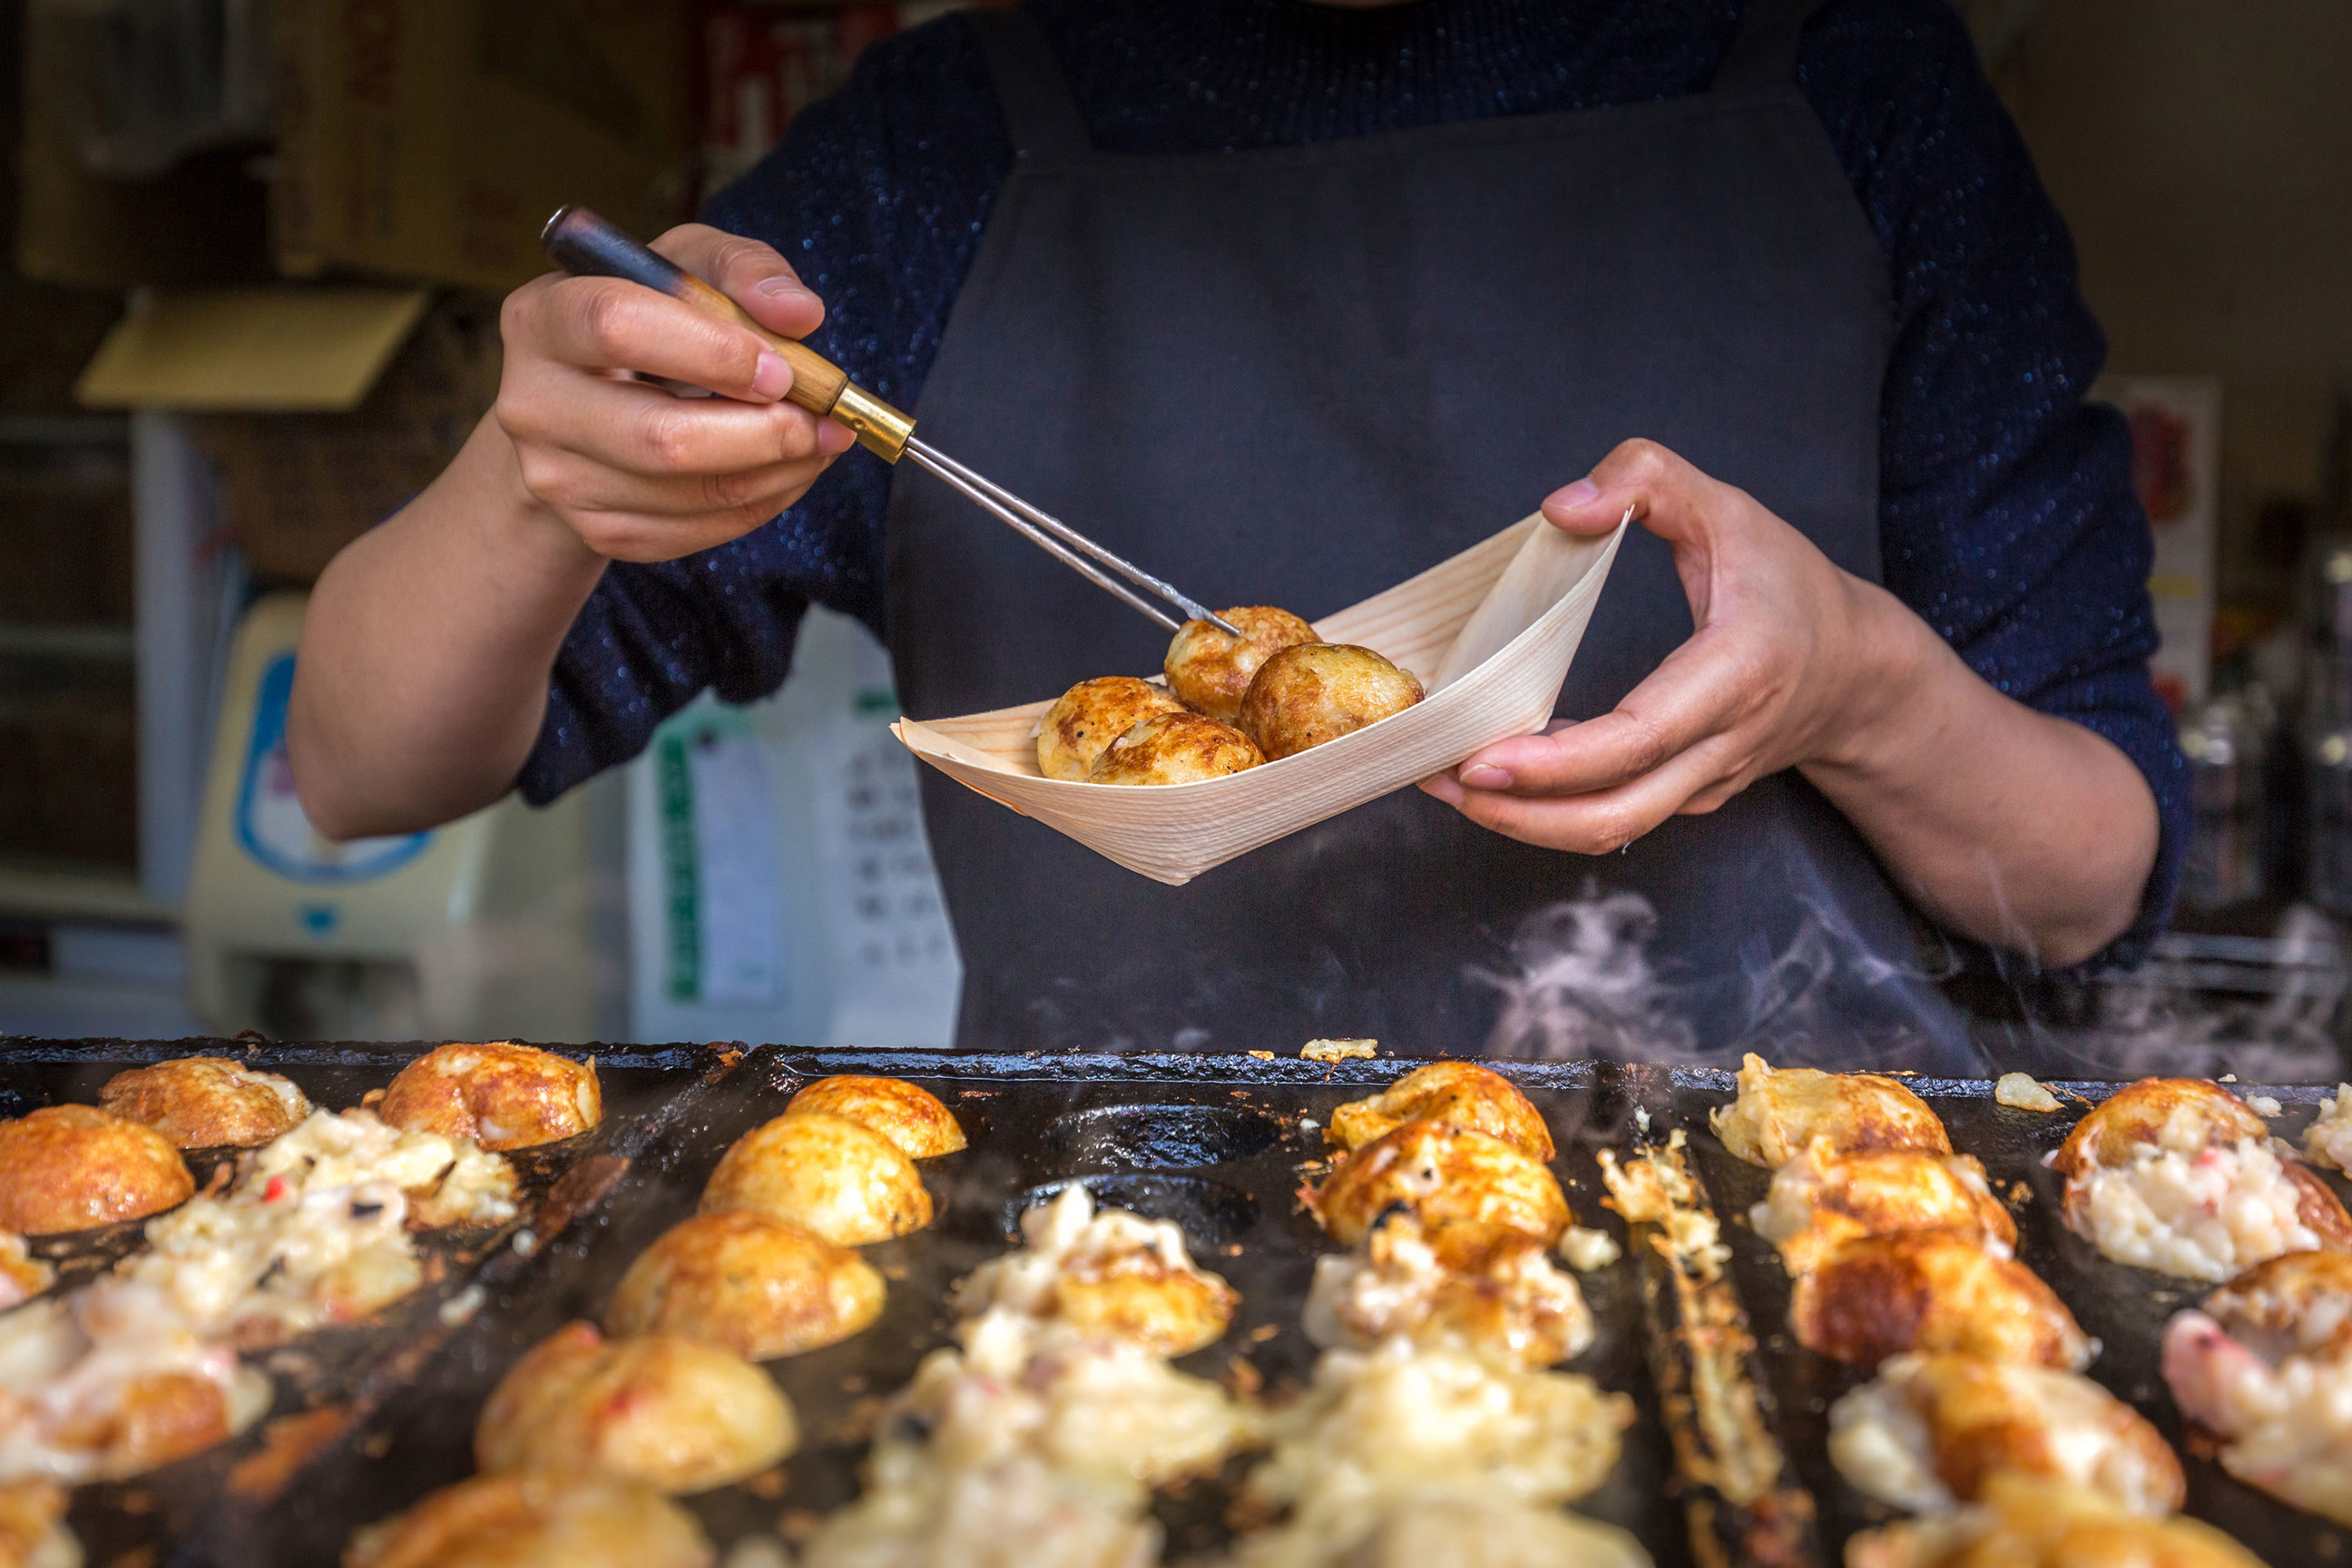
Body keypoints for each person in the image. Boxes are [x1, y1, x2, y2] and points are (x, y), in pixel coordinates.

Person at [288, 0, 2185, 1070]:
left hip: (1790, 1258)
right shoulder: (944, 153)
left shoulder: (1853, 88)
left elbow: (2096, 876)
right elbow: (357, 769)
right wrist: (534, 477)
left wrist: (1856, 691)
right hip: (1127, 1274)